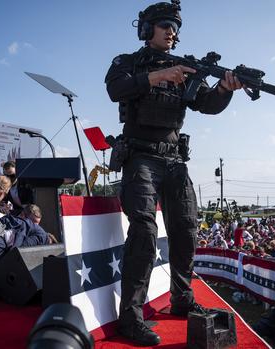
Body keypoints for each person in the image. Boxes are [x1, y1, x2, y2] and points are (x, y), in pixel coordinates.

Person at [104, 1, 242, 345]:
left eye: (174, 27)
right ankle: (130, 318)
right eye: (164, 25)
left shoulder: (186, 69)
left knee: (186, 229)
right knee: (145, 232)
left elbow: (207, 105)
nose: (171, 32)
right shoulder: (127, 62)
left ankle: (181, 299)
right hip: (141, 159)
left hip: (174, 160)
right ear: (146, 29)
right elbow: (115, 90)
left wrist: (225, 90)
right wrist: (158, 75)